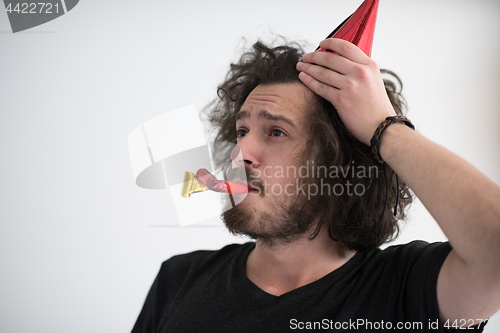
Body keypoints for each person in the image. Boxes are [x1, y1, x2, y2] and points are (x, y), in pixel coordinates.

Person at [131, 37, 500, 332]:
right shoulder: (179, 279)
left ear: (338, 164)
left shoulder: (406, 290)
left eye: (276, 132)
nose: (239, 153)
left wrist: (383, 127)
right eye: (241, 131)